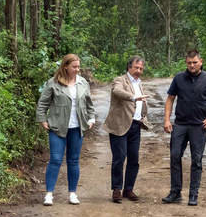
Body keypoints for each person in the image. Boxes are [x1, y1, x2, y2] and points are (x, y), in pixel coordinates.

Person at [162, 50, 206, 206]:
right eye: (189, 63)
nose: (192, 65)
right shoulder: (178, 78)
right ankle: (175, 192)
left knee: (196, 160)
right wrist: (166, 120)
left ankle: (193, 195)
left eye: (195, 62)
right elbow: (170, 99)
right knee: (175, 156)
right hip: (180, 124)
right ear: (186, 63)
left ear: (201, 62)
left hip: (199, 126)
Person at [36, 54, 95, 206]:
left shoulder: (82, 83)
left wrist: (91, 118)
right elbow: (43, 103)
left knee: (73, 160)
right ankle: (49, 194)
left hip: (77, 127)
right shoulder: (53, 83)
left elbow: (89, 104)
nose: (77, 69)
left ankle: (72, 193)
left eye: (78, 66)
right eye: (74, 67)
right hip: (57, 127)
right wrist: (42, 119)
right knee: (55, 159)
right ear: (65, 67)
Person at [105, 55, 150, 202]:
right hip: (119, 125)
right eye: (136, 67)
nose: (138, 70)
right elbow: (117, 91)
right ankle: (116, 189)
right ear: (129, 67)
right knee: (119, 158)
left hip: (135, 125)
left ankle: (128, 189)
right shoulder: (120, 80)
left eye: (141, 68)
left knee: (134, 159)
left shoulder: (139, 83)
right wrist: (133, 97)